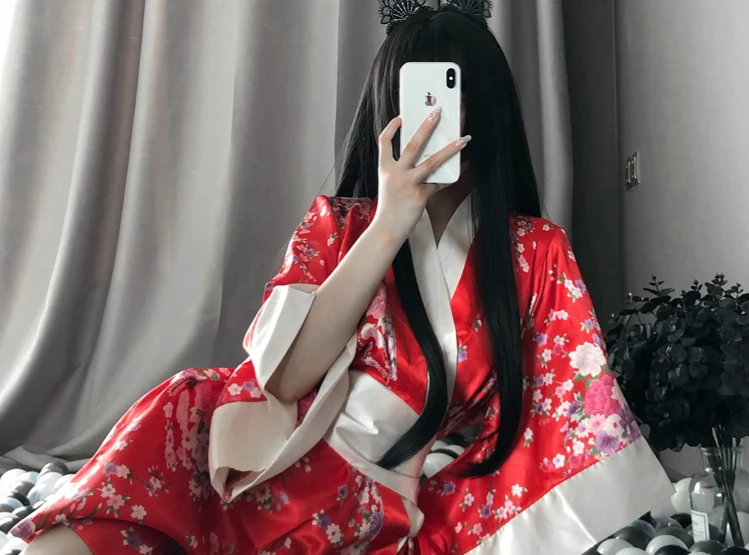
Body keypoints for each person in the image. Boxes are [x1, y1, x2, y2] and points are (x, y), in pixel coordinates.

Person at [17, 1, 673, 553]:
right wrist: (388, 225)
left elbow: (560, 416)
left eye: (455, 94)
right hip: (247, 454)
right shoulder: (338, 223)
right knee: (76, 536)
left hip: (372, 509)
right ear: (389, 103)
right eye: (419, 97)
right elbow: (284, 377)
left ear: (489, 107)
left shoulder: (535, 253)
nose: (438, 116)